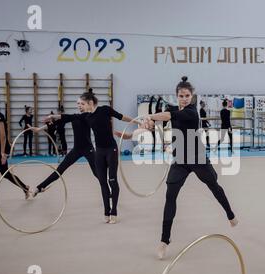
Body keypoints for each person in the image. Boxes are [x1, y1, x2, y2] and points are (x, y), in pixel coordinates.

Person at [143, 76, 238, 259]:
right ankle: (164, 241)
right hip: (180, 160)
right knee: (170, 196)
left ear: (192, 96)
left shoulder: (192, 112)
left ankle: (230, 214)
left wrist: (151, 117)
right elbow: (160, 122)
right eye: (181, 95)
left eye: (187, 95)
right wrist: (147, 124)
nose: (184, 98)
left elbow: (168, 117)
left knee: (214, 186)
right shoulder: (173, 109)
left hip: (198, 158)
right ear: (176, 96)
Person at [82, 88, 137, 224]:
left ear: (90, 102)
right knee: (102, 182)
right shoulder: (87, 117)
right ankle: (106, 210)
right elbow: (70, 119)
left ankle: (114, 211)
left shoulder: (105, 110)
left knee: (112, 180)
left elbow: (121, 116)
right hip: (99, 152)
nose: (80, 107)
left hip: (111, 150)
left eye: (82, 104)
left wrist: (137, 122)